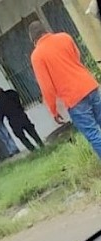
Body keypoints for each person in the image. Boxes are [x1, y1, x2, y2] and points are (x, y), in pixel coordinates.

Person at [29, 21, 101, 158]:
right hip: (89, 85)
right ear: (46, 30)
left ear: (33, 39)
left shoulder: (37, 55)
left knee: (93, 134)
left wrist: (53, 110)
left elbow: (46, 86)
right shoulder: (64, 37)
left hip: (74, 99)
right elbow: (77, 57)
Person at [0, 87, 44, 152]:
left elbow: (0, 115)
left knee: (21, 136)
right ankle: (40, 143)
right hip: (21, 114)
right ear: (2, 89)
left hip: (13, 120)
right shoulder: (12, 93)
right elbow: (18, 98)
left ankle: (32, 149)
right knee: (31, 130)